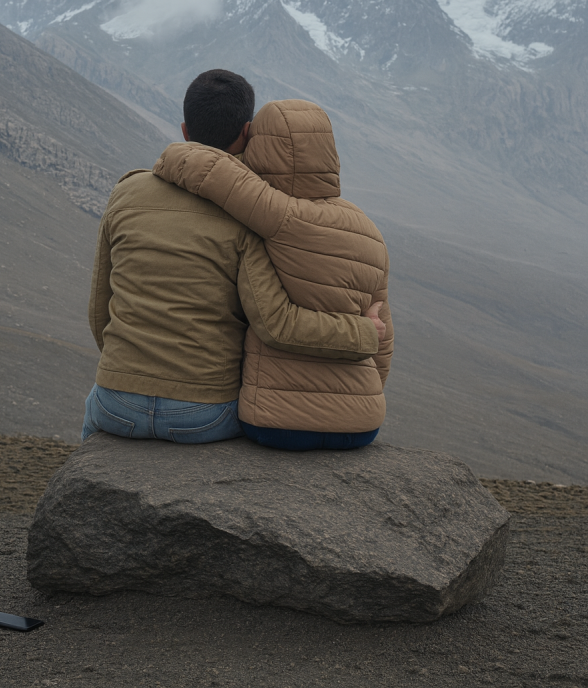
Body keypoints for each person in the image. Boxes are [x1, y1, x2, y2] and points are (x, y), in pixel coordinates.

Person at [83, 71, 381, 444]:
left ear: (184, 130)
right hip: (203, 413)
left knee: (90, 413)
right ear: (246, 133)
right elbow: (273, 322)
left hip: (116, 401)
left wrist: (129, 375)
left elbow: (99, 309)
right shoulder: (245, 211)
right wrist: (366, 331)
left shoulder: (126, 191)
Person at [153, 97, 393, 451]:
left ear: (261, 148)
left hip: (275, 424)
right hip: (360, 427)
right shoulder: (370, 231)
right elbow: (383, 342)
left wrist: (169, 156)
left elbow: (209, 170)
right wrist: (357, 401)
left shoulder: (277, 214)